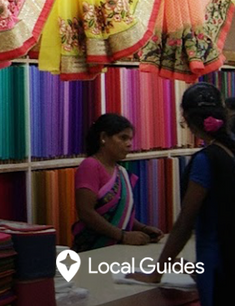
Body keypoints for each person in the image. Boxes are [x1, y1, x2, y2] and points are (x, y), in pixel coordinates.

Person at [128, 83, 235, 306]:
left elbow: (184, 224)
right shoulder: (230, 152)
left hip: (217, 264)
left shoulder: (205, 161)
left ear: (186, 118)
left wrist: (156, 273)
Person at [71, 113, 163, 251]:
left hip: (116, 250)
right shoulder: (90, 166)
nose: (129, 144)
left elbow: (121, 214)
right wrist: (123, 236)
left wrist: (142, 228)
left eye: (131, 139)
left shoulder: (120, 171)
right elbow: (86, 213)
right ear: (103, 138)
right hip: (93, 249)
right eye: (123, 138)